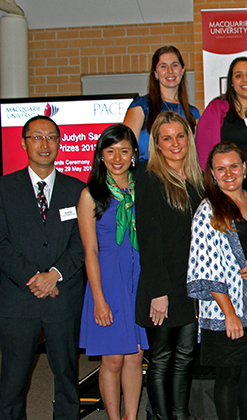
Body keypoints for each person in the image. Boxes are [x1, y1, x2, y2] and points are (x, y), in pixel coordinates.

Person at [0, 115, 85, 420]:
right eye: (36, 137)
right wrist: (32, 278)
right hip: (18, 298)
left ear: (60, 144)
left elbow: (82, 243)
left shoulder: (77, 189)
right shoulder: (4, 188)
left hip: (63, 295)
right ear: (24, 143)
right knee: (13, 378)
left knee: (66, 375)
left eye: (51, 137)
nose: (44, 144)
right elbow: (1, 243)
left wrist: (55, 275)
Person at [187, 142, 247, 420]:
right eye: (220, 168)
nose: (228, 173)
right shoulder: (207, 211)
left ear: (244, 168)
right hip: (225, 308)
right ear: (212, 173)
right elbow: (205, 266)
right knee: (229, 373)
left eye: (234, 166)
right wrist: (229, 314)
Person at [135, 111, 204, 420]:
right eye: (167, 138)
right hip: (162, 286)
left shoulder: (199, 180)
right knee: (162, 358)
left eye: (180, 136)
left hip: (192, 286)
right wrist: (158, 291)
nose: (175, 143)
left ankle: (180, 414)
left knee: (186, 356)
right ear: (157, 145)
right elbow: (149, 243)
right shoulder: (149, 180)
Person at [78, 124, 148, 420]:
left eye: (124, 150)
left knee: (135, 355)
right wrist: (98, 298)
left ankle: (130, 417)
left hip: (139, 280)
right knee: (113, 360)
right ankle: (113, 416)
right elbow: (90, 252)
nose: (117, 157)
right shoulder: (90, 195)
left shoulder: (143, 189)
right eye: (110, 150)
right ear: (101, 155)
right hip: (107, 283)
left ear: (134, 154)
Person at [195, 57, 247, 191]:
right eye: (238, 75)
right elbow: (204, 151)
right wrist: (215, 185)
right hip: (230, 186)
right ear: (231, 82)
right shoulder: (216, 109)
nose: (245, 79)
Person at [123, 46, 200, 161]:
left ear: (182, 70)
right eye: (163, 66)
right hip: (145, 175)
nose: (170, 71)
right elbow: (124, 148)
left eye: (175, 65)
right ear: (155, 73)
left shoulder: (192, 113)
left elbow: (195, 155)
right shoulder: (141, 106)